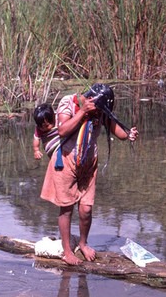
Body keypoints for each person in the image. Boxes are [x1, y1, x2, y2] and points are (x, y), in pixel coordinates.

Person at [40, 83, 139, 265]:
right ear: (90, 98)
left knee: (86, 209)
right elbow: (62, 130)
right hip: (66, 161)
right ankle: (67, 251)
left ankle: (84, 244)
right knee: (67, 208)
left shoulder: (100, 111)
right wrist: (83, 111)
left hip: (88, 163)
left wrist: (128, 135)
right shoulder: (68, 103)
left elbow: (117, 131)